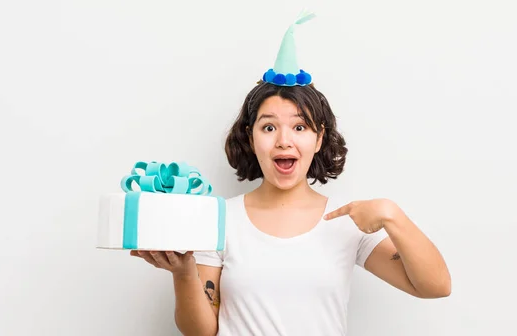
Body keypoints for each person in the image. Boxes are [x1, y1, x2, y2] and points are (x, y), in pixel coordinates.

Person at [131, 10, 451, 336]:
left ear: (319, 137)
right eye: (269, 126)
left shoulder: (347, 222)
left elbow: (435, 286)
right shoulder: (220, 219)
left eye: (299, 126)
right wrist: (183, 273)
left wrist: (391, 214)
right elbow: (201, 331)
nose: (284, 140)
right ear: (251, 137)